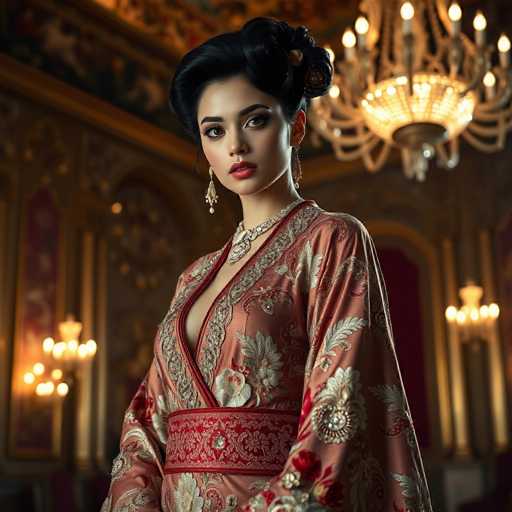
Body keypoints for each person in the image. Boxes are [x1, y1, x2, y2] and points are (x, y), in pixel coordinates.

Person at [100, 16, 433, 512]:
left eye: (255, 120)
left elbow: (337, 410)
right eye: (214, 130)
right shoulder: (193, 276)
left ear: (295, 125)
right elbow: (146, 421)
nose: (234, 144)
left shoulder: (332, 240)